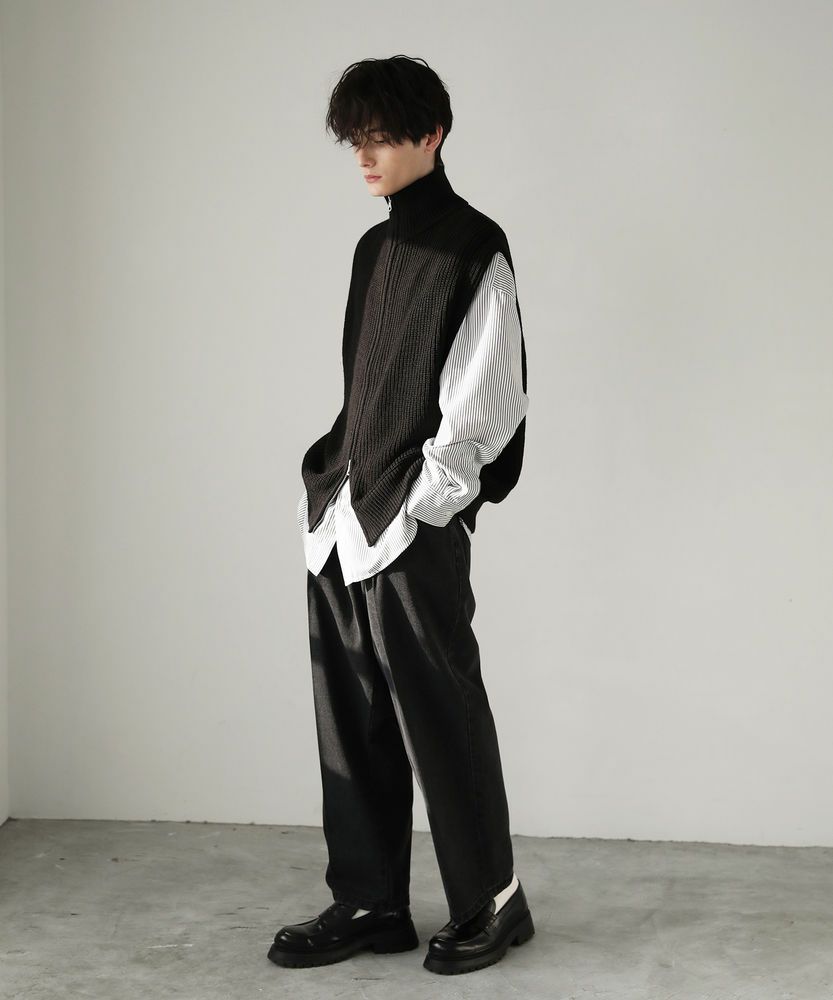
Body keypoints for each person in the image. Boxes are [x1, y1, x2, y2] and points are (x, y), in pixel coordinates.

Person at [268, 54, 533, 976]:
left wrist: (429, 502)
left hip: (411, 521)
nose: (364, 156)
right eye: (356, 140)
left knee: (441, 713)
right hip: (343, 513)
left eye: (380, 137)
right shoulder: (372, 250)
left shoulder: (473, 245)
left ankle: (492, 901)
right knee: (351, 717)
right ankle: (370, 900)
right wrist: (328, 477)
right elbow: (366, 387)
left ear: (432, 134)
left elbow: (490, 398)